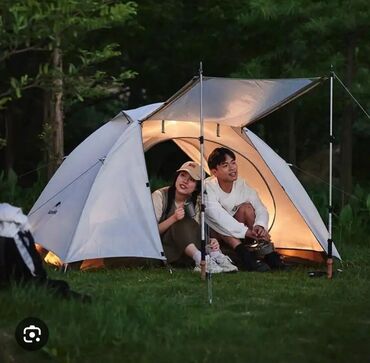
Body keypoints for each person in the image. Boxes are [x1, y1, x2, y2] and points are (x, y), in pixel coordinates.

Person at [205, 147, 285, 272]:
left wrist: (260, 226)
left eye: (233, 162)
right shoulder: (208, 187)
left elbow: (260, 207)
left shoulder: (241, 184)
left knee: (247, 208)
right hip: (213, 233)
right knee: (219, 222)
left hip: (239, 231)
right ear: (214, 172)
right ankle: (245, 256)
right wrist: (246, 231)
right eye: (225, 165)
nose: (232, 168)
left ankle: (269, 253)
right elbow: (217, 216)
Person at [151, 161, 237, 273]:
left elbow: (195, 231)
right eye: (182, 175)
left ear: (197, 187)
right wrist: (173, 218)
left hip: (187, 253)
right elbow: (151, 233)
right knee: (180, 221)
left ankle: (215, 255)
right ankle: (202, 261)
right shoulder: (160, 196)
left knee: (194, 225)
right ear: (177, 177)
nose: (185, 181)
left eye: (191, 180)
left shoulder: (196, 201)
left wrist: (210, 240)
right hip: (166, 249)